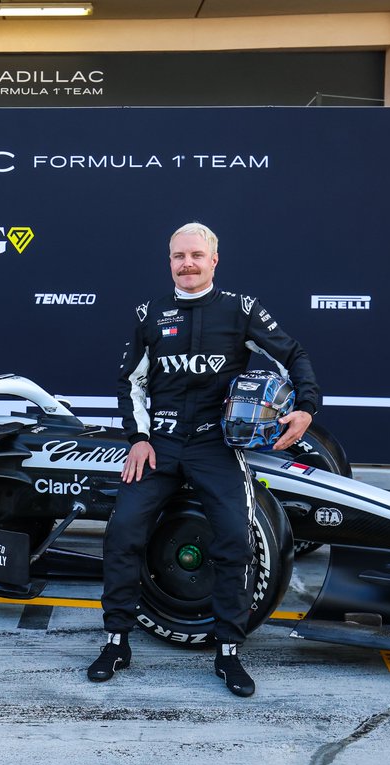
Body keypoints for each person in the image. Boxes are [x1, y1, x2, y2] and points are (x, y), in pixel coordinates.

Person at [88, 221, 319, 697]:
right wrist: (139, 437)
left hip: (217, 445)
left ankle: (229, 651)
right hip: (161, 445)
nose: (187, 263)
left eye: (196, 255)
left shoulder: (240, 310)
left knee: (236, 540)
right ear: (169, 262)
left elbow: (292, 355)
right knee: (123, 532)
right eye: (178, 256)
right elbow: (129, 382)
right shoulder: (150, 313)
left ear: (214, 260)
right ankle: (116, 642)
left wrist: (306, 408)